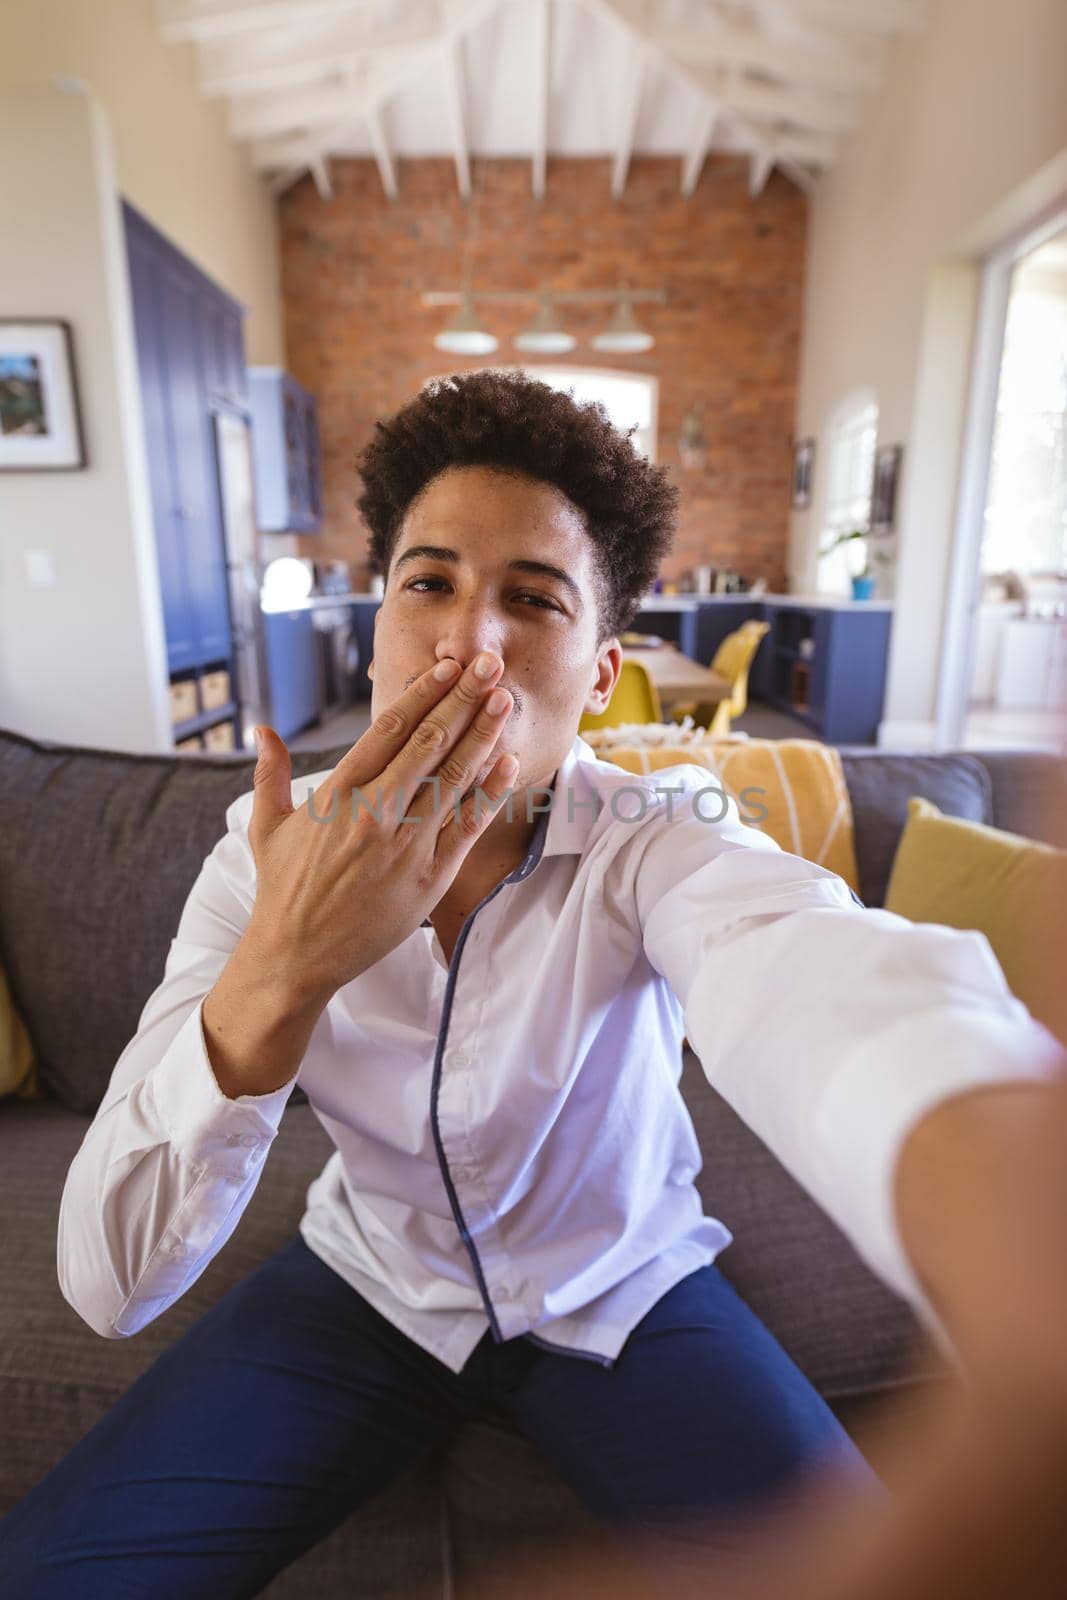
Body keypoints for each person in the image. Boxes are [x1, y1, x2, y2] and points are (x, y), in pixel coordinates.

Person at [1, 370, 1062, 1599]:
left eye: (532, 600)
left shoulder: (658, 835)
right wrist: (289, 961)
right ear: (377, 623)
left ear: (601, 674)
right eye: (430, 583)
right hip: (369, 1282)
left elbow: (807, 963)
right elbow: (107, 1278)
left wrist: (1001, 1160)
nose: (469, 644)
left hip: (621, 1285)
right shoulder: (260, 852)